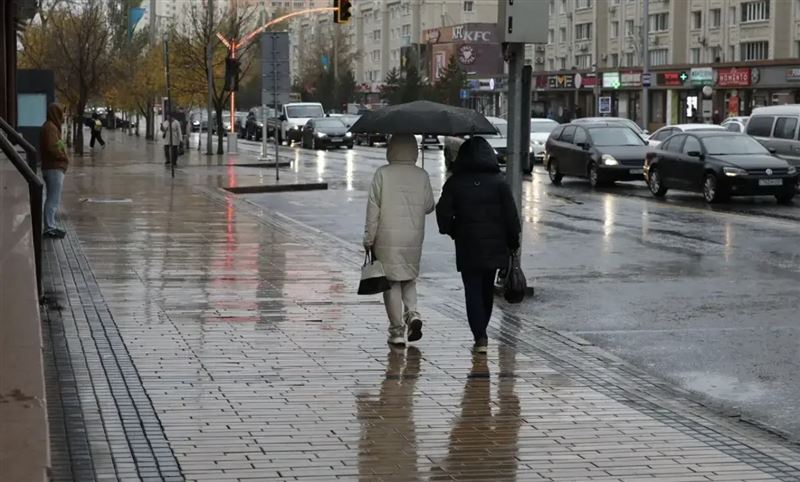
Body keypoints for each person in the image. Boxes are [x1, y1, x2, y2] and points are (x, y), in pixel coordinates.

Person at [435, 137, 521, 353]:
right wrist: (513, 242)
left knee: (472, 290)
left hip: (467, 245)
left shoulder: (455, 183)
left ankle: (480, 336)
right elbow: (511, 217)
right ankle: (481, 331)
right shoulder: (499, 183)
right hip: (494, 246)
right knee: (486, 290)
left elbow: (443, 215)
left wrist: (454, 230)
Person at [364, 134, 435, 346]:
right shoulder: (421, 175)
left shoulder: (382, 174)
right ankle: (412, 313)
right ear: (414, 150)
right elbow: (429, 206)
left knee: (392, 281)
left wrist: (368, 239)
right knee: (409, 278)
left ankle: (396, 332)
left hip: (387, 236)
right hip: (412, 235)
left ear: (391, 149)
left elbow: (372, 210)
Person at [40, 103, 69, 239]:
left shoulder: (52, 127)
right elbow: (52, 148)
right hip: (54, 168)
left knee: (52, 198)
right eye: (61, 113)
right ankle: (49, 227)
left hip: (53, 167)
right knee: (53, 199)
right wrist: (63, 156)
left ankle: (50, 225)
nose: (63, 116)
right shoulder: (50, 128)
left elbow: (58, 145)